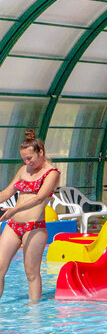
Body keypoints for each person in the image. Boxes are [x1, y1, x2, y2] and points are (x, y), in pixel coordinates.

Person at [0, 129, 61, 303]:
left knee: (31, 273)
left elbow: (40, 197)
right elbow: (6, 193)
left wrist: (15, 210)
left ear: (40, 152)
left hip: (34, 227)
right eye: (24, 159)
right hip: (13, 225)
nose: (27, 162)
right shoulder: (23, 170)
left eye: (30, 158)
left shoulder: (52, 173)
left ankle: (34, 315)